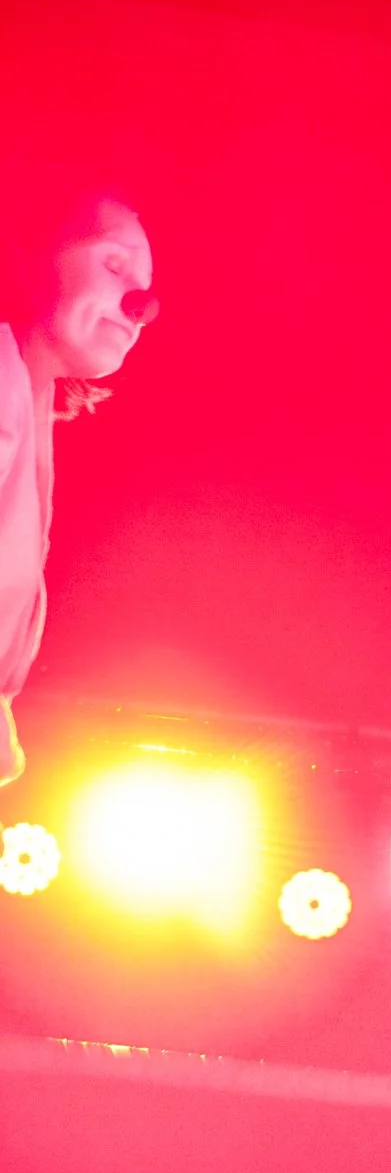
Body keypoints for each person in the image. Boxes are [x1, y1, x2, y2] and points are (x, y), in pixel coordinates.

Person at [0, 187, 157, 786]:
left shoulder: (29, 413)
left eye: (145, 284)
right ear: (30, 256)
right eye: (113, 265)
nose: (141, 304)